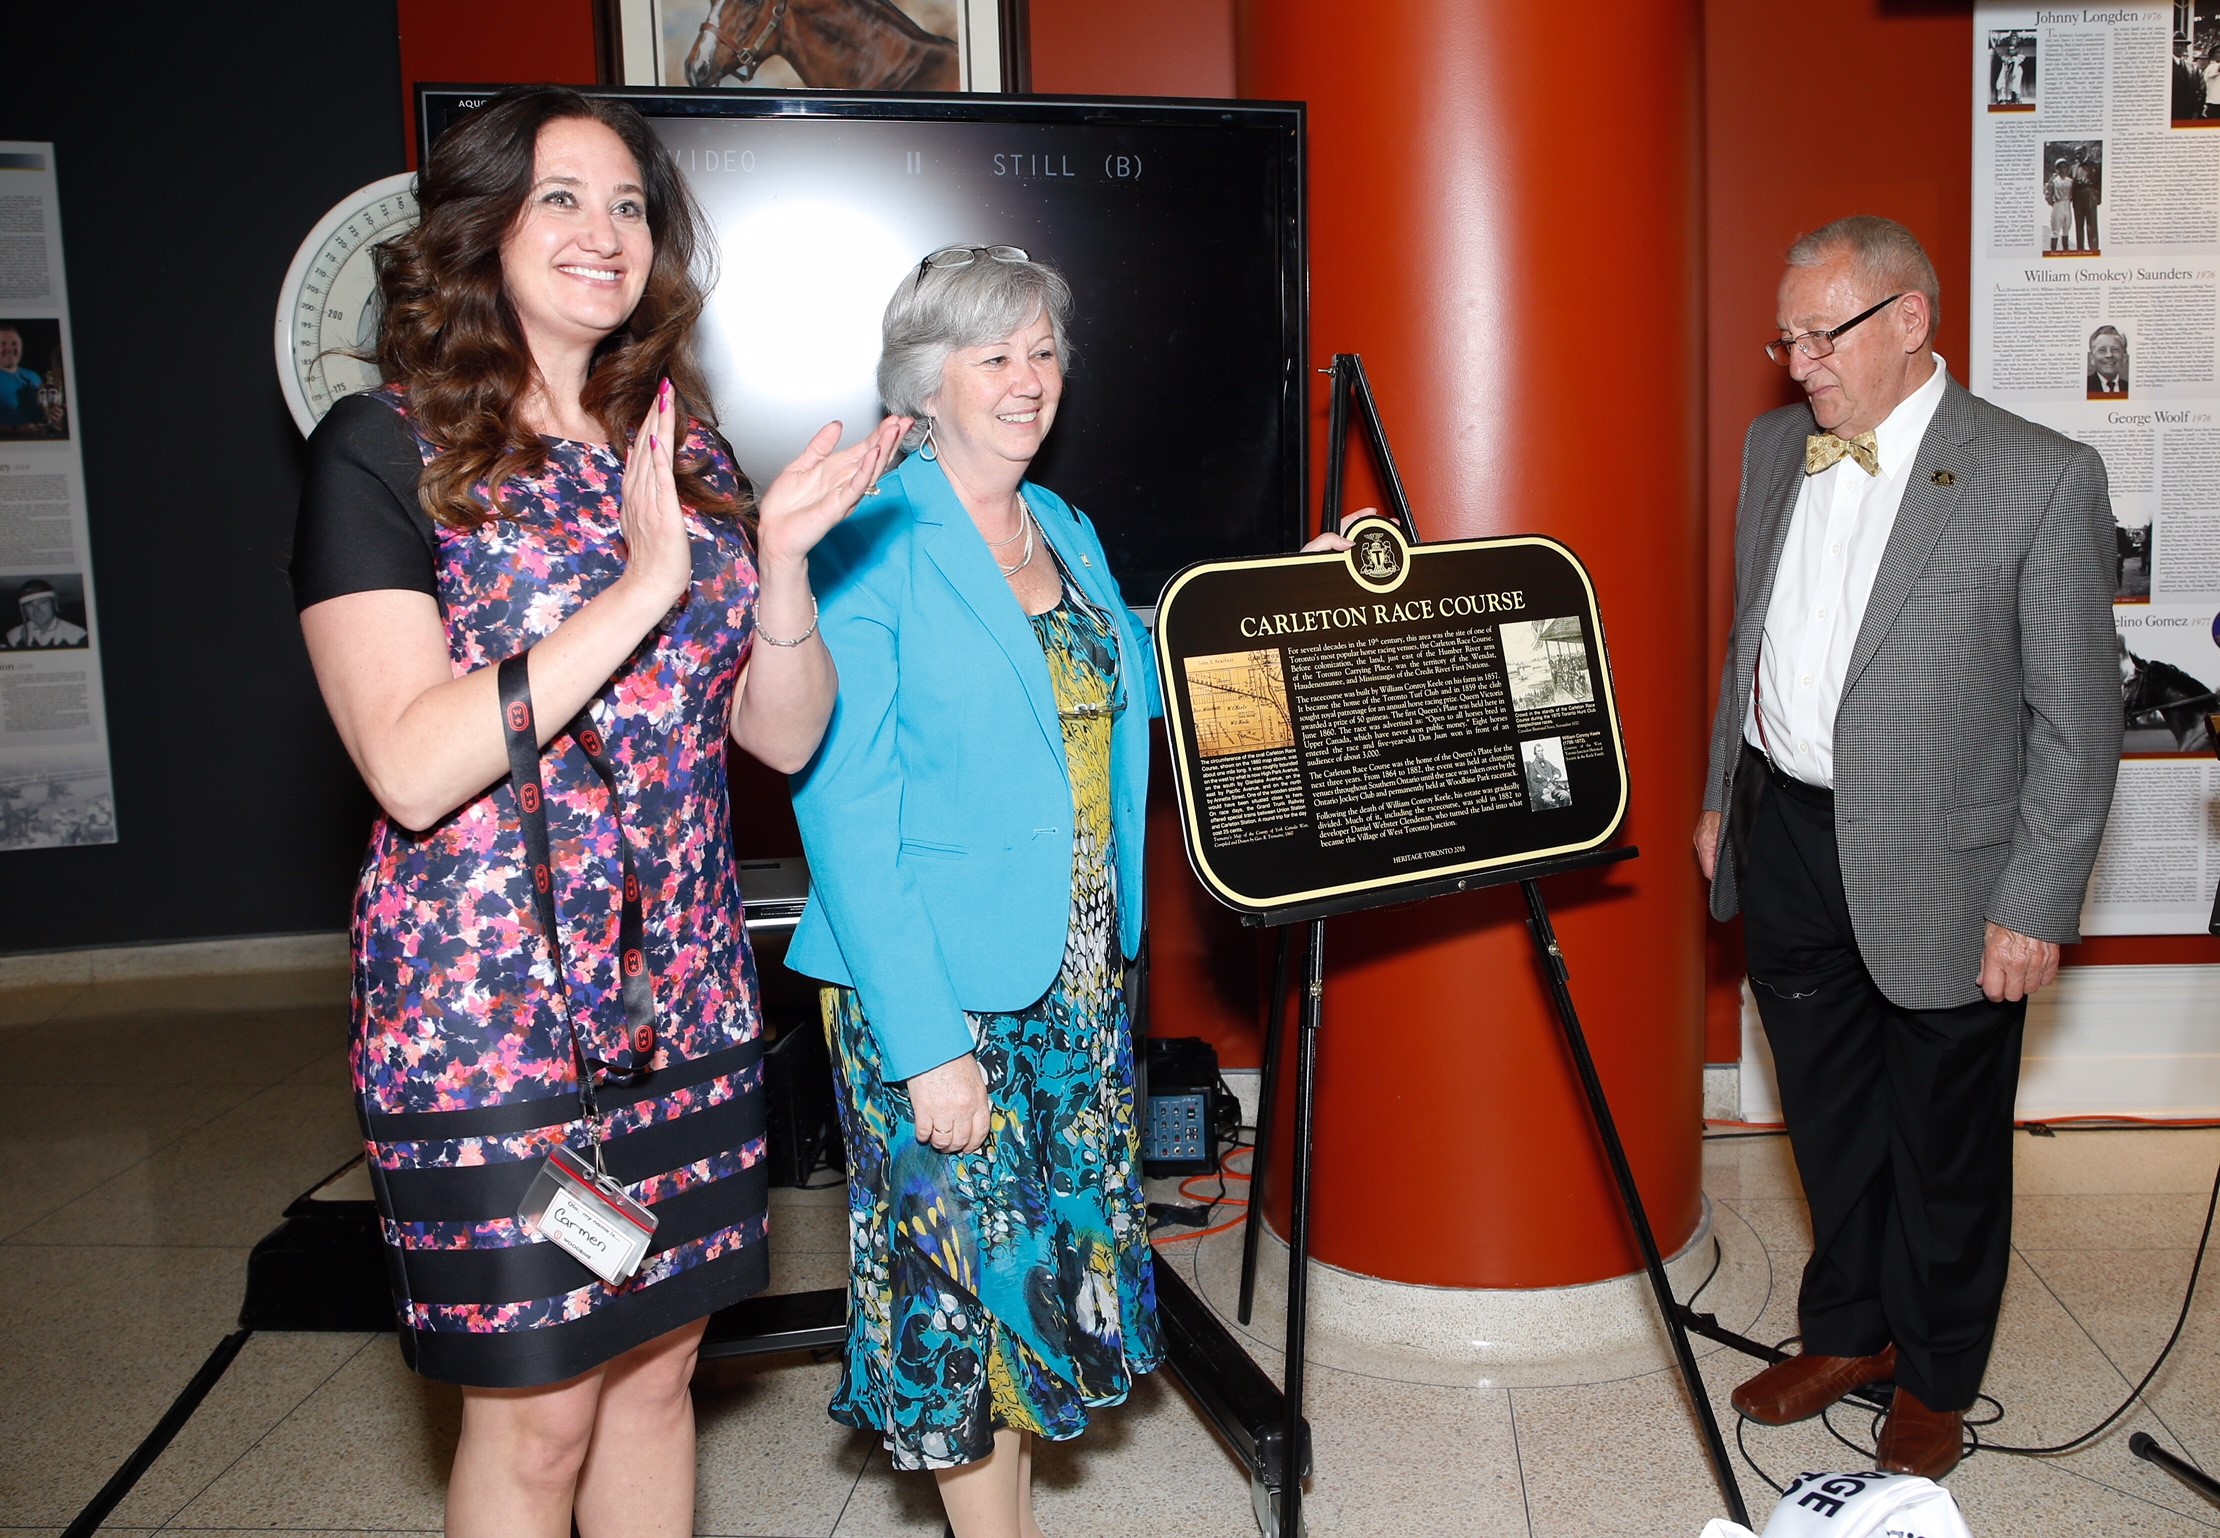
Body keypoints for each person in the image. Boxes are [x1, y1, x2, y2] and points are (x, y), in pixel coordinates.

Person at [290, 85, 903, 1537]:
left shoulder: (683, 457)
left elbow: (781, 731)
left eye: (628, 203)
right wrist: (642, 591)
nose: (602, 230)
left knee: (657, 1373)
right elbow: (412, 762)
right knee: (545, 1412)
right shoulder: (380, 450)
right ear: (483, 228)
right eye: (562, 196)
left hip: (685, 995)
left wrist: (790, 569)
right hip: (485, 1019)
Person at [787, 246, 1341, 1537]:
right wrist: (927, 1047)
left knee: (1028, 1300)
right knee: (968, 1313)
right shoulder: (870, 539)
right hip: (933, 996)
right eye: (995, 356)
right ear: (925, 382)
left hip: (1078, 986)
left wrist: (1283, 606)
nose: (1029, 379)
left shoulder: (1065, 526)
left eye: (1044, 352)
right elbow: (841, 811)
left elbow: (1143, 668)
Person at [1693, 216, 2119, 1479]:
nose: (1797, 362)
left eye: (1822, 334)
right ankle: (1850, 1330)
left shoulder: (2039, 475)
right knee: (1828, 1118)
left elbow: (2077, 722)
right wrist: (1727, 783)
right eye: (1787, 337)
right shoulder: (1780, 447)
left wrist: (2034, 900)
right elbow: (1749, 637)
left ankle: (1936, 1371)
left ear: (1912, 321)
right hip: (1790, 835)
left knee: (1945, 1137)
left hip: (1952, 867)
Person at [3, 578, 86, 647]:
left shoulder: (77, 635)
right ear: (23, 610)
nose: (37, 610)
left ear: (55, 604)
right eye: (29, 605)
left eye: (42, 602)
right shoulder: (14, 636)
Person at [0, 325, 43, 432]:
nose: (9, 348)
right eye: (3, 343)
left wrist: (54, 414)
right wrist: (16, 429)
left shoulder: (34, 377)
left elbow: (44, 411)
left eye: (14, 343)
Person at [2070, 151, 2102, 252]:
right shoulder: (2073, 168)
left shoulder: (2095, 165)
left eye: (2080, 153)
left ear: (2085, 152)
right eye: (2076, 153)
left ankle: (2093, 249)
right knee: (2079, 224)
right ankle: (2080, 249)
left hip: (2090, 194)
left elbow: (2100, 182)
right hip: (2077, 197)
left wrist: (2098, 197)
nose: (2077, 155)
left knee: (2091, 223)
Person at [2087, 325, 2129, 398]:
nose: (2109, 355)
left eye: (2115, 350)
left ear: (2124, 357)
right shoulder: (2086, 386)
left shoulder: (2128, 388)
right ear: (2092, 358)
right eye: (2102, 350)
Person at [2043, 159, 2074, 252]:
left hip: (2067, 204)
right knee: (2055, 229)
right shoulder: (2054, 180)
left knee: (2067, 227)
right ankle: (2053, 250)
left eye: (2064, 166)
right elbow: (2048, 193)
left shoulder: (2070, 181)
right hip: (2058, 205)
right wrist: (2052, 202)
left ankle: (2066, 249)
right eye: (2060, 167)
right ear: (2057, 169)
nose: (2062, 169)